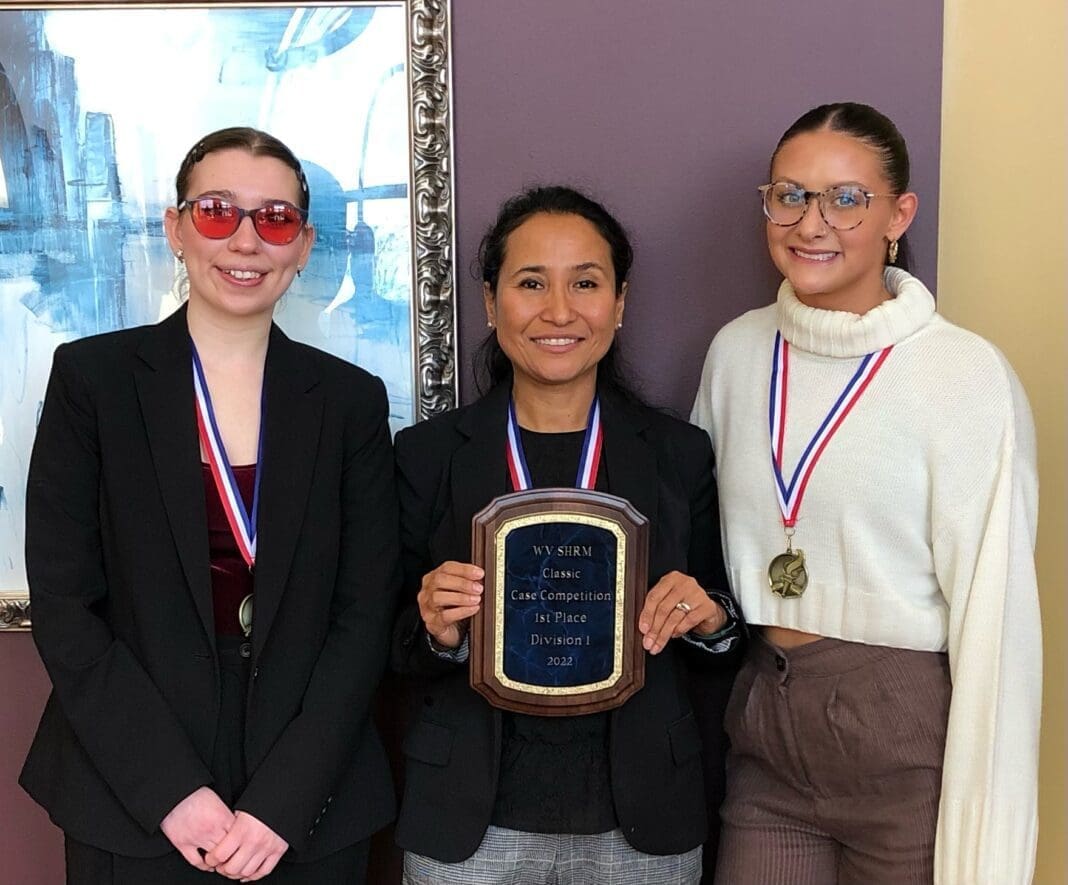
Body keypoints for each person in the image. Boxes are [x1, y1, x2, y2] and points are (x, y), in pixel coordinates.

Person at [20, 127, 400, 883]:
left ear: (303, 244)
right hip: (131, 790)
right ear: (176, 228)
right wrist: (170, 789)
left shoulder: (351, 402)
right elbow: (65, 607)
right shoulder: (91, 382)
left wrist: (284, 801)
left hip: (309, 795)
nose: (247, 240)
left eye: (276, 218)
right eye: (219, 211)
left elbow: (365, 614)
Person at [691, 102, 1040, 884]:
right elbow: (700, 537)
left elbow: (999, 613)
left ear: (897, 214)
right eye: (789, 194)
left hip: (900, 733)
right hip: (766, 725)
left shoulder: (964, 373)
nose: (812, 222)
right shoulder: (737, 353)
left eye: (846, 198)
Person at [391, 185, 742, 884]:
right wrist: (434, 627)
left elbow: (727, 628)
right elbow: (384, 642)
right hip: (470, 816)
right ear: (491, 303)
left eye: (585, 282)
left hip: (642, 815)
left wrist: (707, 616)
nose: (559, 310)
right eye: (530, 283)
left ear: (620, 301)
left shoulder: (679, 452)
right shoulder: (426, 454)